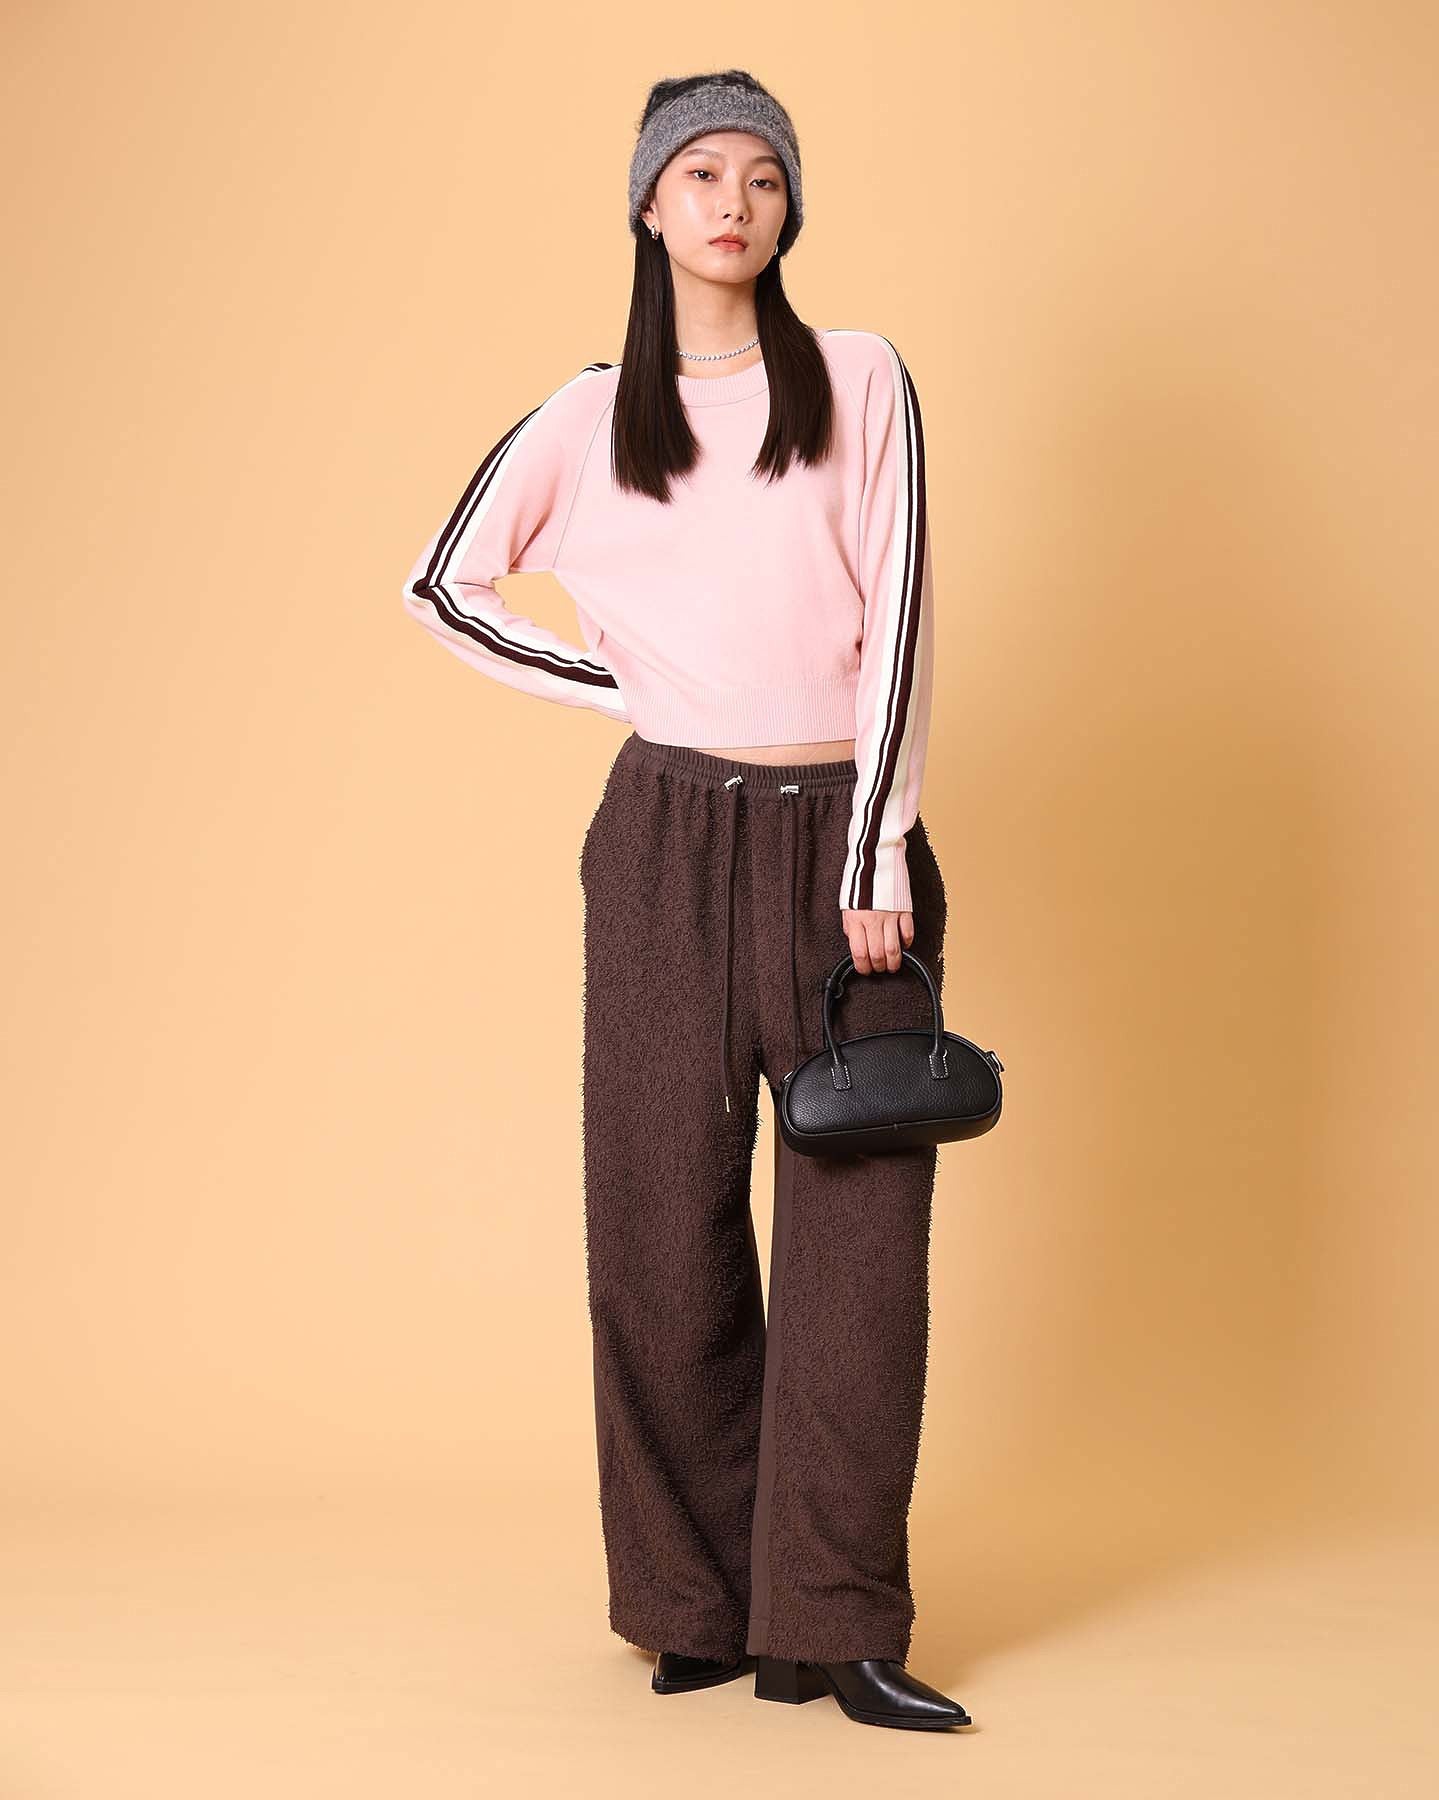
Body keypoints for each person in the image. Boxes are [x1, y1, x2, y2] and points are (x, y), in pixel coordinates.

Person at [402, 69, 970, 1733]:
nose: (735, 201)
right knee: (660, 1228)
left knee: (864, 1256)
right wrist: (630, 689)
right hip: (663, 842)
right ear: (649, 206)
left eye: (764, 177)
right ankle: (694, 1603)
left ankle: (835, 1622)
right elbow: (444, 583)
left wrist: (877, 850)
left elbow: (905, 617)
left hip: (847, 848)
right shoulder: (589, 418)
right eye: (702, 174)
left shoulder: (859, 379)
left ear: (790, 210)